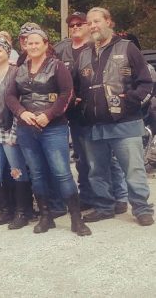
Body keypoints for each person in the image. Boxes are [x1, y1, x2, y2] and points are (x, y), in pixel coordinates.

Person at [6, 29, 91, 236]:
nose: (33, 46)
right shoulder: (19, 69)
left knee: (62, 173)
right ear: (24, 46)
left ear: (45, 44)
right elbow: (10, 96)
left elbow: (67, 93)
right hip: (27, 129)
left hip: (53, 128)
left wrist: (49, 115)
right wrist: (21, 112)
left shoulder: (57, 65)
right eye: (29, 43)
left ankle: (76, 219)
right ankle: (46, 217)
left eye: (37, 43)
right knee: (36, 173)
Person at [75, 7, 154, 226]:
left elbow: (146, 84)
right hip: (93, 125)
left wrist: (129, 100)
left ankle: (141, 208)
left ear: (109, 22)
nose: (92, 26)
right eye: (89, 22)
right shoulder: (83, 54)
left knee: (133, 169)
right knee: (97, 170)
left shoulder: (128, 48)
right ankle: (104, 207)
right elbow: (77, 88)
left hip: (125, 124)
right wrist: (78, 104)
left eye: (97, 21)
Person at [54, 12, 128, 212]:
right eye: (72, 24)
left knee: (108, 158)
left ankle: (120, 196)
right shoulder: (62, 49)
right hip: (76, 113)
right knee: (82, 158)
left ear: (88, 26)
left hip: (100, 112)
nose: (76, 27)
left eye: (80, 23)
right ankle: (88, 195)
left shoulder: (96, 46)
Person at [0, 39, 33, 230]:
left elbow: (19, 103)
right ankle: (5, 210)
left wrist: (15, 131)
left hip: (9, 128)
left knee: (17, 171)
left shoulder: (14, 73)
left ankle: (22, 211)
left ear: (8, 53)